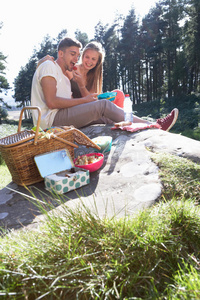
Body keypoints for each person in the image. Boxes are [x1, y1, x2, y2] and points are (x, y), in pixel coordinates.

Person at [31, 37, 179, 131]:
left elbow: (67, 101)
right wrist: (85, 100)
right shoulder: (50, 66)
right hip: (51, 121)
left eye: (77, 54)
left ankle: (153, 126)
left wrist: (84, 99)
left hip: (62, 115)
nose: (77, 58)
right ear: (60, 54)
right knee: (103, 106)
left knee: (108, 117)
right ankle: (152, 124)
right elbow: (51, 102)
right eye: (73, 54)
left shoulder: (63, 76)